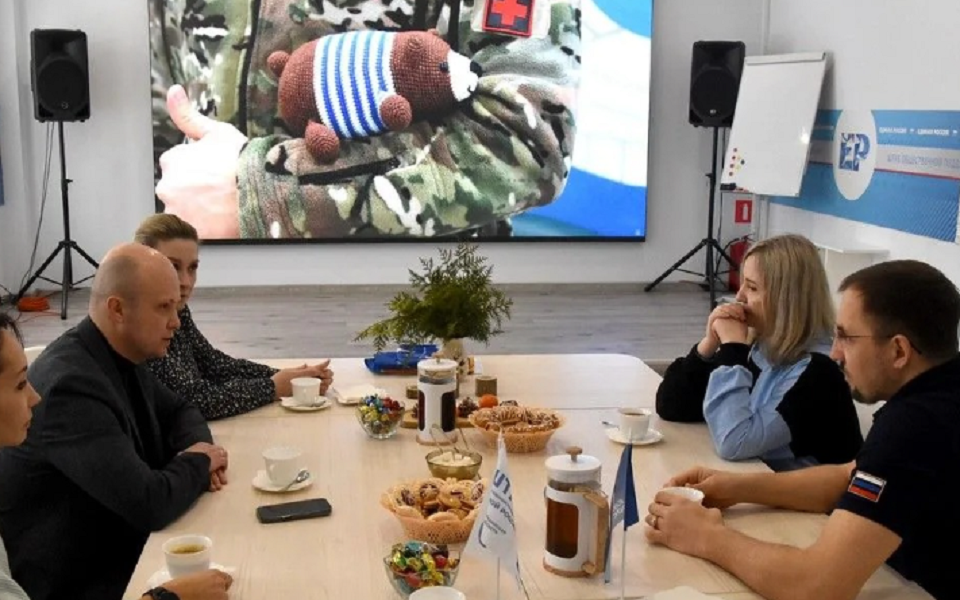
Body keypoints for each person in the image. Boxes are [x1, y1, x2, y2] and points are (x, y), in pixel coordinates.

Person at [646, 259, 960, 600]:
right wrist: (735, 486)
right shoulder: (941, 393)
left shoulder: (915, 424)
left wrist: (707, 537)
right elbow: (850, 476)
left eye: (846, 337)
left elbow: (817, 586)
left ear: (899, 350)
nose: (836, 353)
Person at [148, 0, 581, 239]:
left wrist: (260, 190)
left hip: (411, 303)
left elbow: (525, 141)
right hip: (204, 291)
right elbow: (162, 114)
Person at [0, 244, 231, 600]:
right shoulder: (70, 387)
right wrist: (199, 462)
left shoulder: (119, 353)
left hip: (118, 552)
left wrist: (198, 454)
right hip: (81, 582)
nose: (176, 321)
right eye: (163, 307)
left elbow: (181, 410)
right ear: (118, 309)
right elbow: (149, 503)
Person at [655, 234, 863, 471]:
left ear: (786, 299)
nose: (739, 296)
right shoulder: (761, 344)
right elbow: (672, 406)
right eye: (742, 283)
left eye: (752, 287)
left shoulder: (819, 371)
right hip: (760, 478)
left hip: (806, 493)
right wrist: (709, 345)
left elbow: (734, 442)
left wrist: (732, 349)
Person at [134, 213, 334, 420]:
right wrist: (273, 386)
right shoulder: (140, 326)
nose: (185, 281)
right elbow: (194, 400)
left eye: (192, 268)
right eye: (173, 266)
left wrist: (288, 378)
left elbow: (214, 365)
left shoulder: (179, 310)